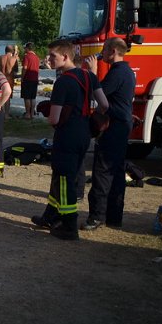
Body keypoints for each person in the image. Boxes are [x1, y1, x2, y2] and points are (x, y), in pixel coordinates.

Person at [32, 39, 108, 240]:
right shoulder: (88, 76)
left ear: (65, 57)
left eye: (52, 56)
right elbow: (104, 105)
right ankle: (51, 215)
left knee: (64, 179)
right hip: (84, 133)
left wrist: (49, 110)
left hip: (67, 135)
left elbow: (54, 119)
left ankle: (69, 225)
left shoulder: (63, 82)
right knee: (62, 175)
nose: (49, 59)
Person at [82, 37, 136, 231]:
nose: (101, 53)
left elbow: (99, 95)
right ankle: (114, 217)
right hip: (122, 126)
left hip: (113, 128)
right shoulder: (126, 71)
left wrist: (93, 73)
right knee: (116, 171)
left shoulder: (117, 73)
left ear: (113, 51)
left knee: (103, 172)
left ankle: (96, 217)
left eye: (104, 50)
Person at [0, 44, 19, 118]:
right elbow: (16, 71)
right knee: (7, 97)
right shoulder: (14, 59)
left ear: (5, 50)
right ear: (12, 51)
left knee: (0, 95)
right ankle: (6, 114)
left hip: (0, 78)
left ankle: (0, 113)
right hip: (9, 79)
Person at [21, 42, 40, 119]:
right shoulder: (37, 57)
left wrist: (22, 77)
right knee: (33, 97)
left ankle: (27, 114)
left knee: (27, 97)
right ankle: (32, 114)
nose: (24, 49)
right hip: (35, 79)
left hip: (27, 79)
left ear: (28, 48)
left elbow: (25, 67)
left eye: (25, 48)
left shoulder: (27, 57)